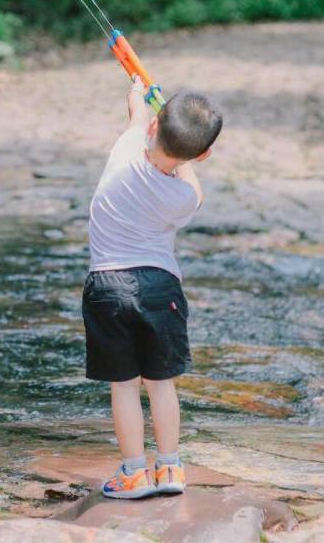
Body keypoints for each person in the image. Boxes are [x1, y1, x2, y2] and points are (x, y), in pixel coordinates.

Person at [83, 75, 222, 499]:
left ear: (152, 130)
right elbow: (193, 187)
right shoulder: (182, 196)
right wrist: (189, 159)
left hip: (107, 284)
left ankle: (132, 473)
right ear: (203, 153)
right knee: (161, 384)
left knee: (124, 386)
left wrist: (137, 97)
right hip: (162, 287)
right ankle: (171, 468)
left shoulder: (124, 154)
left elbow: (136, 120)